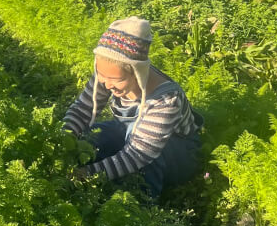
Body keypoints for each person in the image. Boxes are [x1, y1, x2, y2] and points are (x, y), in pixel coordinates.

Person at [63, 17, 202, 198]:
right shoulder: (108, 73)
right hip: (131, 135)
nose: (106, 83)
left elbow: (137, 155)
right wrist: (63, 140)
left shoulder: (166, 99)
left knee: (143, 158)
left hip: (175, 153)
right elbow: (83, 109)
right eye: (101, 75)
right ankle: (110, 177)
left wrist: (87, 174)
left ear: (138, 72)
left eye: (117, 80)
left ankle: (141, 206)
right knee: (90, 136)